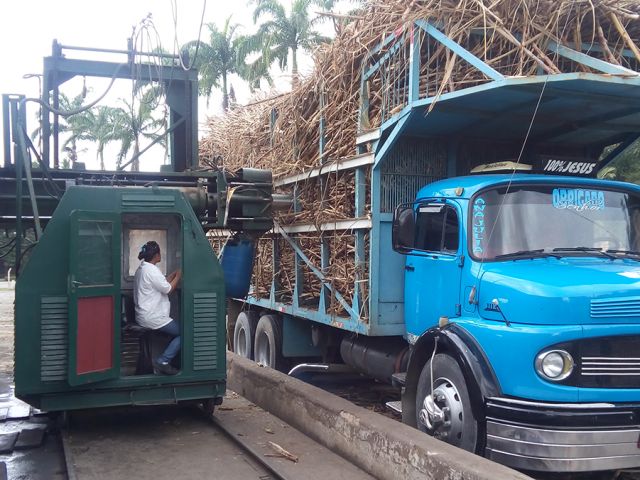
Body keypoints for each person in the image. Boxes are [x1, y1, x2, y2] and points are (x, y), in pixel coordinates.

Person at [133, 240, 182, 375]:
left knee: (176, 334)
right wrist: (179, 275)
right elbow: (168, 290)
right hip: (152, 317)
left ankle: (169, 360)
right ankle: (163, 361)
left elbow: (161, 283)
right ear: (156, 255)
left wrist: (172, 274)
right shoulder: (152, 271)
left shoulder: (144, 268)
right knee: (184, 334)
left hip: (143, 315)